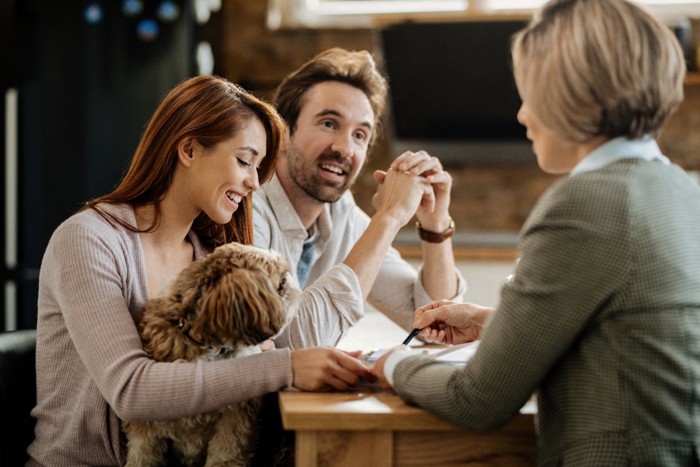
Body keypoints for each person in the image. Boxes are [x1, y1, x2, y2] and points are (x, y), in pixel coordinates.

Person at [373, 0, 700, 465]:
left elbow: (478, 400)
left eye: (532, 94)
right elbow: (623, 334)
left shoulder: (585, 204)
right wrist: (494, 323)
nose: (523, 115)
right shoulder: (680, 189)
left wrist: (389, 362)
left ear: (577, 94)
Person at [27, 75, 372, 466]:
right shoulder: (89, 239)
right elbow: (131, 390)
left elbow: (266, 349)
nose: (253, 183)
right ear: (189, 149)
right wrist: (284, 366)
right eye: (244, 161)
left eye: (259, 168)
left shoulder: (212, 255)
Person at [254, 48, 466, 348]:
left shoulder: (342, 215)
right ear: (283, 131)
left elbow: (439, 326)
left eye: (360, 135)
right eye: (329, 123)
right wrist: (389, 217)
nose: (345, 149)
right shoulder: (247, 208)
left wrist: (436, 227)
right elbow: (291, 341)